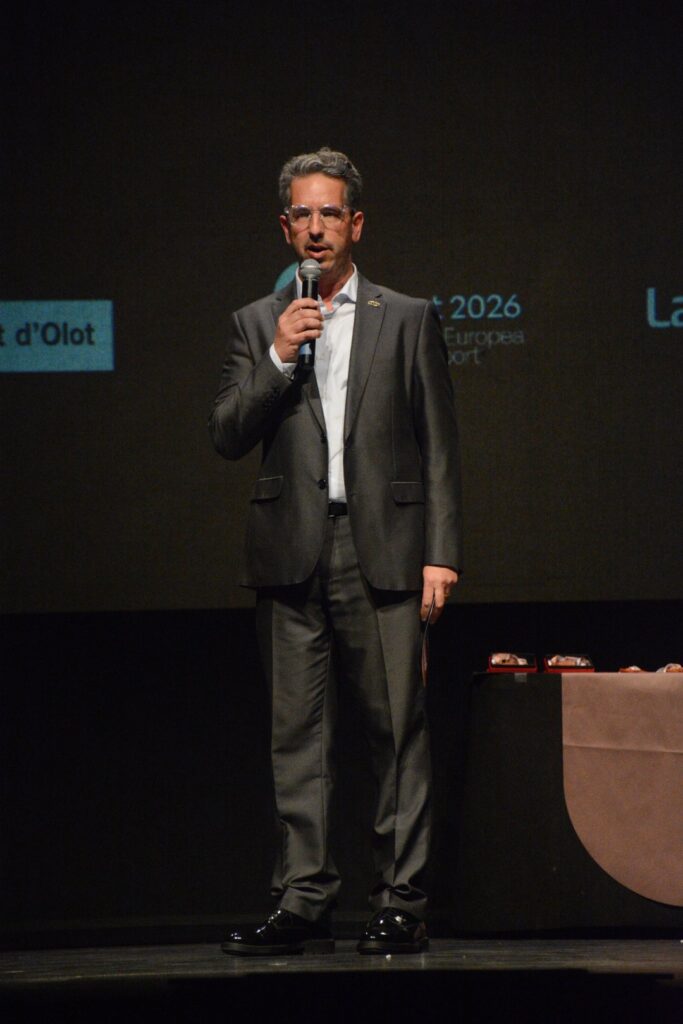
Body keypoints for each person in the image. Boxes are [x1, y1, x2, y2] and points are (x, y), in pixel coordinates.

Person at [209, 147, 462, 955]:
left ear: (355, 223)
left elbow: (437, 445)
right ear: (284, 226)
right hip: (289, 549)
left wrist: (440, 553)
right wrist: (281, 354)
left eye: (330, 213)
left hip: (381, 545)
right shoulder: (258, 322)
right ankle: (302, 899)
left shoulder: (406, 316)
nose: (315, 228)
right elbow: (227, 433)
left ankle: (400, 901)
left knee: (396, 730)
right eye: (302, 215)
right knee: (297, 736)